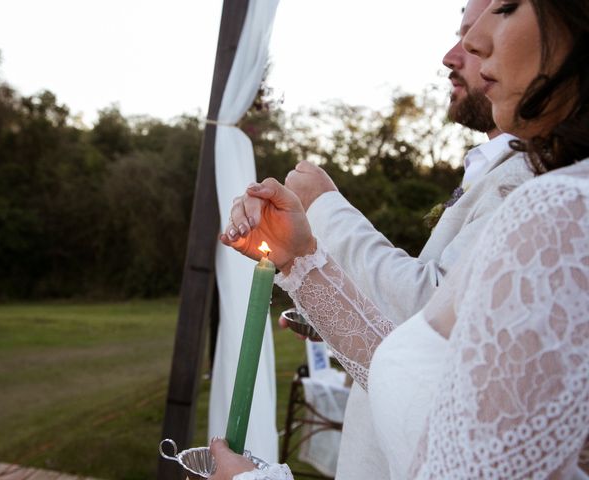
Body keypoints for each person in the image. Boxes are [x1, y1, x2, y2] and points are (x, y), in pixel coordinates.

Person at [212, 0, 589, 478]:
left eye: (508, 6)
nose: (467, 46)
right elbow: (431, 391)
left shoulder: (560, 210)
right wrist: (301, 261)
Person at [278, 0, 532, 476]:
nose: (455, 54)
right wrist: (332, 311)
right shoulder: (501, 171)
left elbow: (425, 312)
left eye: (485, 29)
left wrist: (325, 207)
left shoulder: (527, 182)